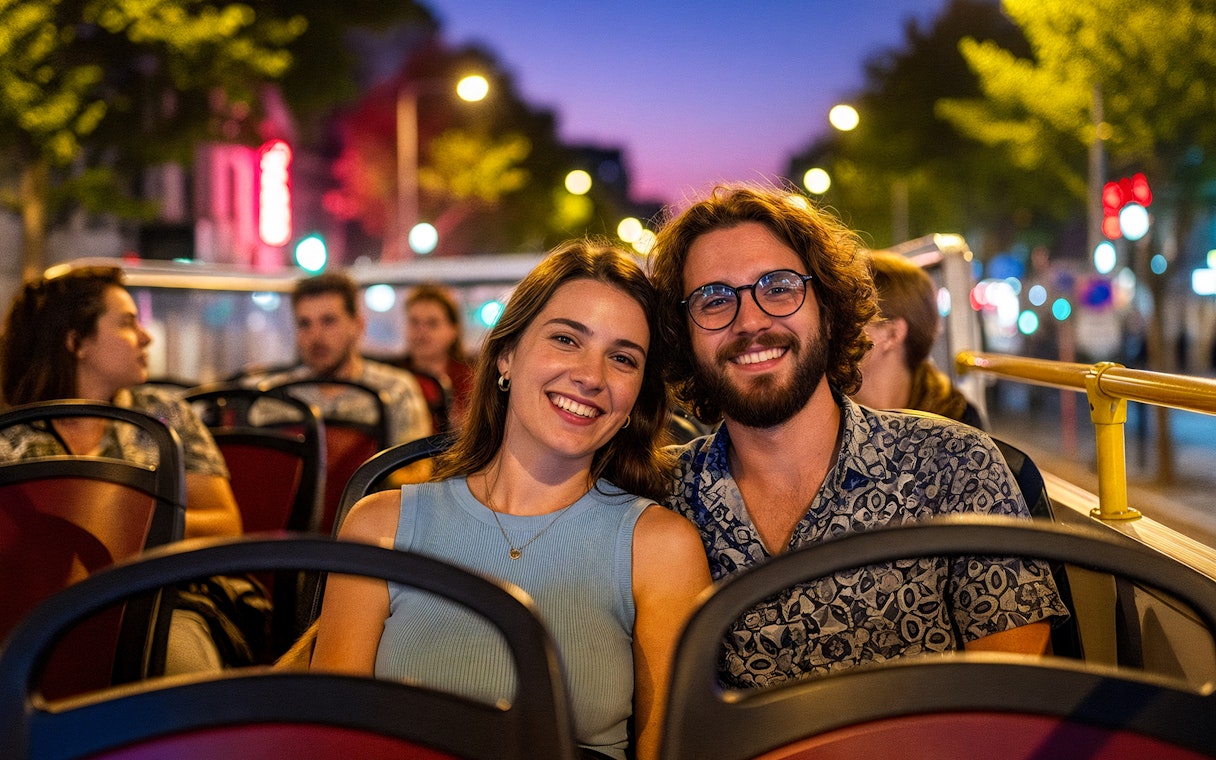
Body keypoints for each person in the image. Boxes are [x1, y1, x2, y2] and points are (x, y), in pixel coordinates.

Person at [648, 183, 1068, 689]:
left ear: (827, 307)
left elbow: (1013, 700)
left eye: (779, 287)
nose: (751, 320)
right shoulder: (661, 495)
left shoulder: (953, 465)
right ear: (682, 333)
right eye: (714, 299)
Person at [311, 239, 711, 760]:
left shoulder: (658, 548)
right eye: (566, 340)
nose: (591, 376)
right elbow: (327, 742)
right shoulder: (380, 527)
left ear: (637, 397)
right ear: (506, 355)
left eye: (622, 358)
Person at [0, 265, 256, 672]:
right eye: (127, 323)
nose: (146, 336)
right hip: (37, 615)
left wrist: (123, 527)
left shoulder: (165, 415)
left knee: (177, 666)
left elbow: (225, 523)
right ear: (77, 342)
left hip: (159, 599)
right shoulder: (10, 437)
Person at [244, 270, 432, 447]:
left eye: (329, 321)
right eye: (304, 323)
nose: (316, 336)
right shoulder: (275, 396)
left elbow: (415, 472)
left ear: (357, 325)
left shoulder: (395, 390)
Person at [851, 250, 985, 428]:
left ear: (892, 334)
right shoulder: (826, 409)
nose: (830, 329)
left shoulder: (956, 420)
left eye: (852, 318)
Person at [391, 283, 474, 433]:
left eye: (432, 324)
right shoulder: (391, 376)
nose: (421, 332)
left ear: (453, 330)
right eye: (414, 322)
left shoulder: (470, 381)